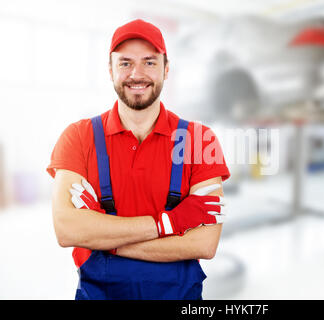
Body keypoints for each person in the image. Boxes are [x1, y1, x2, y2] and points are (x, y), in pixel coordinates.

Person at [46, 19, 230, 300]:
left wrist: (103, 238)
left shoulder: (200, 140)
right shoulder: (78, 137)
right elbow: (67, 230)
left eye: (149, 62)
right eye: (125, 63)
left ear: (167, 70)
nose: (137, 73)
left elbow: (205, 243)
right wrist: (169, 224)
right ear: (110, 70)